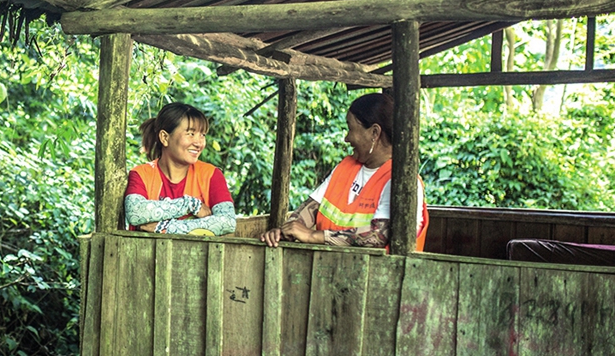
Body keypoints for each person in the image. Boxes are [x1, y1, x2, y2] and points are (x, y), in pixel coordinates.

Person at [261, 93, 427, 250]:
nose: (346, 138)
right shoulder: (345, 167)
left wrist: (313, 235)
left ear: (374, 133)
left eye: (350, 128)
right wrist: (286, 231)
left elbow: (379, 236)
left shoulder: (402, 181)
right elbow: (308, 210)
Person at [124, 102, 236, 235]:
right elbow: (135, 213)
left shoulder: (211, 175)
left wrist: (165, 228)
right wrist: (190, 205)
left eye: (202, 135)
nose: (199, 143)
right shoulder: (141, 174)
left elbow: (228, 222)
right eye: (190, 134)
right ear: (165, 138)